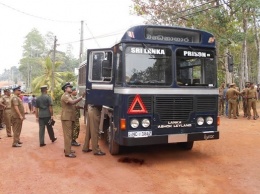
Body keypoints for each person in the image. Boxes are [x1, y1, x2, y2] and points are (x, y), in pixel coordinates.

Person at [61, 82, 85, 158]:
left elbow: (74, 106)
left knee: (70, 135)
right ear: (65, 89)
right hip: (67, 118)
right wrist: (81, 97)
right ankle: (67, 153)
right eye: (69, 87)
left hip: (70, 117)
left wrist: (81, 107)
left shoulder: (69, 96)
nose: (71, 88)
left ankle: (68, 149)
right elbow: (72, 102)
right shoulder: (65, 96)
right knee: (68, 135)